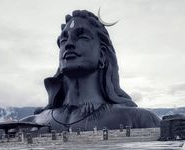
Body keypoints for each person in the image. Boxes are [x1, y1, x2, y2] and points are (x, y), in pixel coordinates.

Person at [23, 10, 160, 131]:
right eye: (64, 39)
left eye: (82, 37)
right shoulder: (31, 123)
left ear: (101, 54)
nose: (69, 44)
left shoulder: (139, 119)